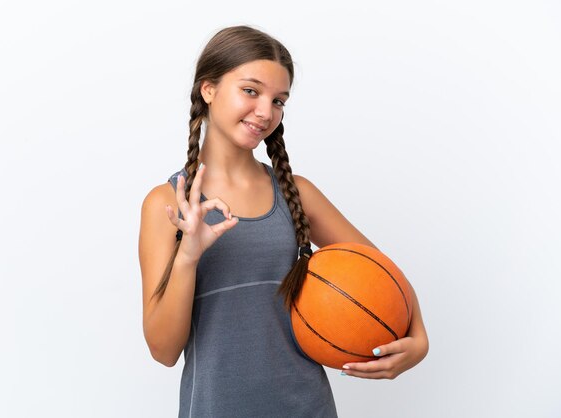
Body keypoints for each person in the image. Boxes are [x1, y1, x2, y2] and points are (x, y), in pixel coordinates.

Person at [138, 25, 429, 417]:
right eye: (251, 91)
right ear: (208, 89)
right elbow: (163, 351)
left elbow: (383, 274)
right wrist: (189, 254)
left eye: (279, 101)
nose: (265, 112)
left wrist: (419, 339)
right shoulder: (166, 203)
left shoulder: (298, 194)